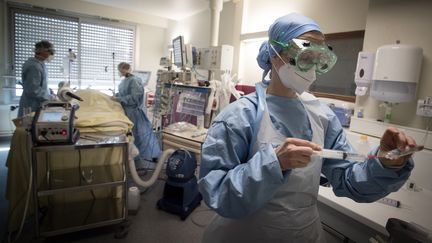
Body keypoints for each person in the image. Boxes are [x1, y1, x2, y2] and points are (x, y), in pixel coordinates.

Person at [198, 13, 421, 243]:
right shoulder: (238, 117)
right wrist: (274, 164)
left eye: (318, 60)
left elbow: (348, 179)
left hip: (304, 233)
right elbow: (217, 192)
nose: (312, 70)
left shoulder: (322, 116)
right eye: (305, 58)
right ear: (276, 57)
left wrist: (386, 164)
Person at [111, 62, 161, 163]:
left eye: (120, 70)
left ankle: (144, 157)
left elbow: (134, 98)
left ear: (124, 70)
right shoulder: (126, 81)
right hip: (126, 111)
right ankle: (132, 157)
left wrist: (119, 99)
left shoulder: (134, 80)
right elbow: (123, 93)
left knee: (138, 136)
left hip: (133, 112)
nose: (119, 72)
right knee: (131, 136)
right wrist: (116, 96)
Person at [18, 40, 55, 117]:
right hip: (31, 105)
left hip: (37, 104)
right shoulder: (34, 66)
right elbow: (33, 90)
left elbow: (41, 84)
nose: (51, 54)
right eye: (50, 52)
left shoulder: (40, 64)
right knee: (29, 126)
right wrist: (50, 97)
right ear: (42, 51)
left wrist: (49, 92)